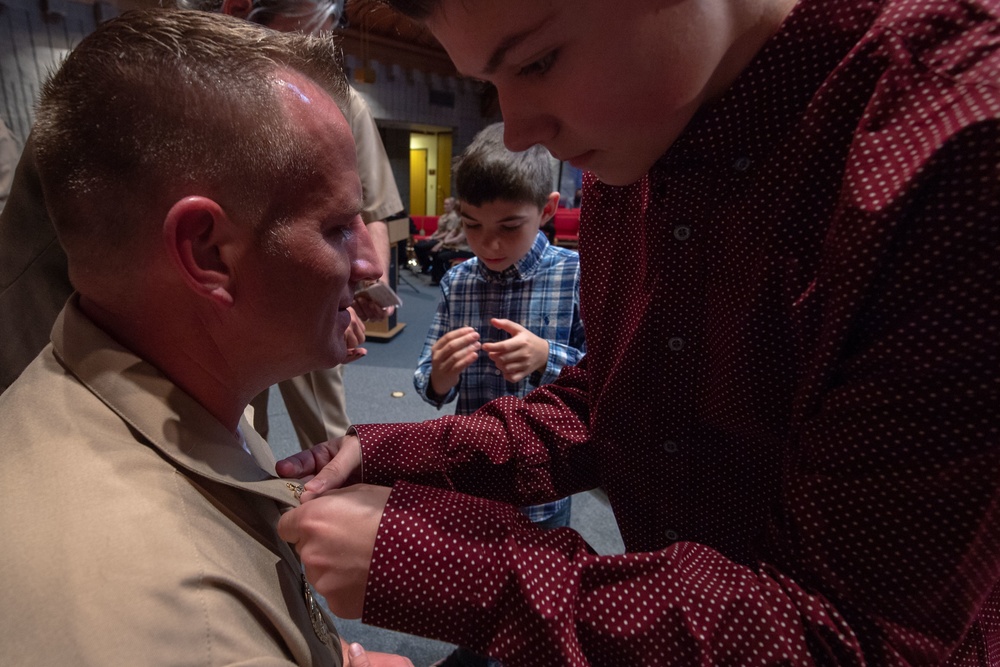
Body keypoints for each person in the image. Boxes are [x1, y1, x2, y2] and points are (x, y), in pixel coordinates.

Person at [276, 0, 1000, 665]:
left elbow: (851, 634)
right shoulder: (641, 132)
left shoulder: (957, 142)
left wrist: (442, 564)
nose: (520, 127)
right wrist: (389, 451)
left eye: (537, 61)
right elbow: (617, 404)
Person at [0, 10, 411, 666]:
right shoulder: (195, 621)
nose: (368, 264)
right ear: (206, 252)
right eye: (337, 227)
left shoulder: (163, 384)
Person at [413, 122, 585, 667]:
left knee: (534, 588)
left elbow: (605, 381)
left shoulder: (575, 277)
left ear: (548, 208)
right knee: (475, 578)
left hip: (543, 478)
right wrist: (440, 373)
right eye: (471, 225)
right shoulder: (459, 281)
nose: (488, 243)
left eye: (510, 226)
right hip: (473, 471)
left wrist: (547, 358)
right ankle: (476, 649)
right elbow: (427, 380)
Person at [414, 195, 459, 274]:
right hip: (437, 238)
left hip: (442, 240)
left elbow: (448, 233)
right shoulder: (443, 216)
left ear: (452, 205)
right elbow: (439, 230)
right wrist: (431, 236)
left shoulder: (453, 217)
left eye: (447, 204)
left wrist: (434, 238)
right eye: (444, 204)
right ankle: (426, 265)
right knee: (419, 245)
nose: (445, 206)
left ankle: (427, 266)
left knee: (422, 247)